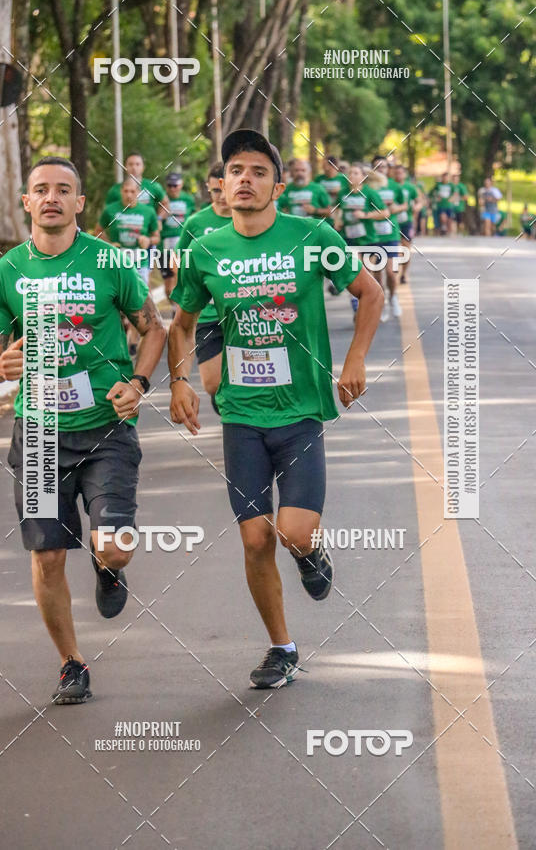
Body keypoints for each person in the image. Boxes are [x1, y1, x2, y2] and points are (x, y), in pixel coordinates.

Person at [168, 130, 383, 689]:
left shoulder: (311, 236)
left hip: (301, 413)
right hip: (240, 416)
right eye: (235, 170)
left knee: (292, 532)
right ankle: (281, 648)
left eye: (258, 171)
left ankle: (312, 554)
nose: (245, 179)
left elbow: (371, 290)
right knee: (255, 538)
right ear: (222, 182)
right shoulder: (205, 248)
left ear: (277, 186)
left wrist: (356, 358)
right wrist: (179, 383)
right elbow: (184, 323)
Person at [0, 156, 167, 704]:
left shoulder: (110, 262)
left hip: (106, 426)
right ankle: (71, 664)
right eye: (41, 189)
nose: (52, 197)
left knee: (116, 547)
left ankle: (108, 570)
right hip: (37, 436)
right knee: (48, 557)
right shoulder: (7, 272)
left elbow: (153, 330)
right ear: (27, 202)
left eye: (64, 189)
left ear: (81, 203)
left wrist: (139, 382)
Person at [174, 161, 232, 412]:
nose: (219, 197)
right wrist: (193, 286)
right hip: (208, 314)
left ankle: (242, 419)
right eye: (214, 191)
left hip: (241, 309)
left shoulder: (247, 219)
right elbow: (178, 259)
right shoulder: (197, 222)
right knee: (212, 383)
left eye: (223, 189)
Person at [98, 176, 161, 355]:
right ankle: (119, 336)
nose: (129, 194)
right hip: (117, 262)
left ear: (139, 193)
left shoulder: (147, 211)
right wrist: (109, 244)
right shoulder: (111, 210)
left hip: (140, 262)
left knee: (138, 300)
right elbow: (98, 231)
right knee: (115, 301)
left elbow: (156, 236)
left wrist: (148, 240)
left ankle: (133, 342)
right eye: (125, 191)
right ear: (121, 192)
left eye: (133, 191)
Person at [337, 162, 388, 321]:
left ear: (363, 177)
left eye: (356, 173)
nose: (352, 176)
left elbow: (385, 212)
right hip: (349, 239)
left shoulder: (370, 193)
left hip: (368, 240)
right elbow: (338, 210)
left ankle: (379, 305)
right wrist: (338, 220)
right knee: (354, 273)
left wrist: (365, 216)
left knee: (367, 275)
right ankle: (356, 304)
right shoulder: (343, 194)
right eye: (350, 173)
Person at [370, 156, 406, 319]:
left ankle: (393, 297)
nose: (381, 170)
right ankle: (382, 303)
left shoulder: (393, 186)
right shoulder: (368, 187)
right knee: (377, 274)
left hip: (390, 232)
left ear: (388, 169)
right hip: (373, 235)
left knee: (391, 271)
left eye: (383, 167)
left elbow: (404, 205)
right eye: (377, 167)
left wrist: (393, 209)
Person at [160, 172, 197, 300]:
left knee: (181, 279)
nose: (172, 188)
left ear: (181, 185)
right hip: (164, 247)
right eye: (170, 186)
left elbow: (194, 219)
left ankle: (178, 312)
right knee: (168, 287)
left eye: (175, 185)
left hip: (182, 244)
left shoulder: (188, 199)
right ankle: (174, 308)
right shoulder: (162, 200)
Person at [392, 164, 419, 284]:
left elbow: (419, 201)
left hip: (406, 220)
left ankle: (403, 273)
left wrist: (417, 207)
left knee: (406, 249)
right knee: (394, 248)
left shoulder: (410, 187)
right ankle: (394, 272)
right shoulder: (390, 186)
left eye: (401, 173)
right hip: (392, 221)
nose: (398, 175)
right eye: (396, 173)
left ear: (405, 174)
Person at [315, 155, 349, 230]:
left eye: (324, 165)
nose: (322, 167)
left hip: (339, 211)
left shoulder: (344, 178)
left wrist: (340, 191)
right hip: (324, 212)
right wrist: (329, 191)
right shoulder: (318, 179)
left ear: (332, 165)